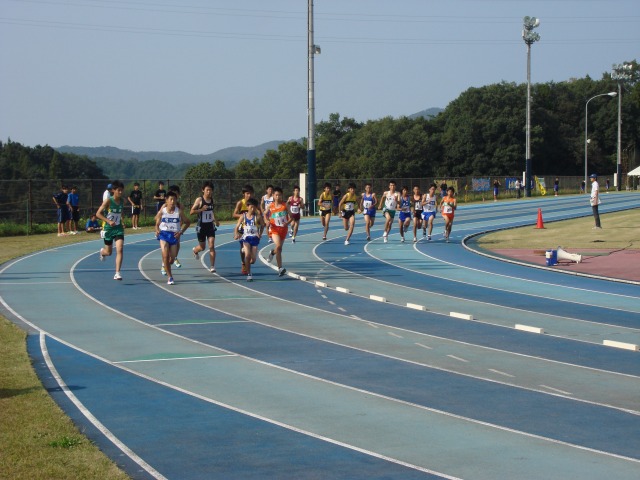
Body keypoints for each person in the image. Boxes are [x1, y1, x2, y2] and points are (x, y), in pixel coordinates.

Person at [155, 191, 190, 285]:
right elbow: (157, 221)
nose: (172, 201)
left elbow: (188, 222)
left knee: (171, 259)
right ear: (166, 200)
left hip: (174, 236)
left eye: (174, 199)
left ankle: (165, 266)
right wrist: (157, 229)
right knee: (165, 256)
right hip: (164, 234)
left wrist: (181, 232)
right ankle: (170, 277)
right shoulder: (163, 210)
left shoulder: (179, 211)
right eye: (170, 199)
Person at [96, 180, 126, 280]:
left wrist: (122, 220)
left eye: (122, 190)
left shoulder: (123, 201)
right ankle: (102, 252)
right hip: (108, 228)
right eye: (119, 190)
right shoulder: (108, 201)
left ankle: (117, 273)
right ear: (113, 190)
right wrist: (108, 221)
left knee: (120, 249)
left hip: (118, 228)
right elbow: (98, 214)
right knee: (108, 252)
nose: (121, 192)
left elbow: (121, 211)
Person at [190, 181, 220, 273]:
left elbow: (212, 212)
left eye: (210, 190)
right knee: (202, 247)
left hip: (210, 226)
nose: (209, 192)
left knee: (211, 245)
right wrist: (201, 209)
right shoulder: (199, 200)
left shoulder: (212, 200)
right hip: (201, 227)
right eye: (207, 190)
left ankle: (212, 266)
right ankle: (195, 250)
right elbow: (191, 212)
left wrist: (216, 220)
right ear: (203, 190)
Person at [234, 198, 263, 282]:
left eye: (254, 207)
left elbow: (263, 225)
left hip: (254, 238)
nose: (252, 209)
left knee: (253, 260)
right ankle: (249, 274)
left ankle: (247, 264)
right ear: (247, 206)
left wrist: (260, 234)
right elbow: (236, 227)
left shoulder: (257, 216)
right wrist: (236, 234)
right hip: (246, 238)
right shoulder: (243, 216)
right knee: (247, 255)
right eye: (251, 207)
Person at [266, 187, 290, 277]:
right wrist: (266, 221)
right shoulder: (270, 206)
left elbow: (291, 217)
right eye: (276, 195)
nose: (278, 197)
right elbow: (264, 213)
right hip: (274, 229)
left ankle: (272, 252)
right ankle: (280, 268)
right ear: (273, 196)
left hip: (283, 230)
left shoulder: (285, 206)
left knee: (279, 249)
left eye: (279, 195)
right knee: (279, 246)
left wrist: (287, 223)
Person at [233, 184, 256, 274]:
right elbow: (234, 214)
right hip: (242, 229)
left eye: (251, 193)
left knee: (250, 249)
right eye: (247, 193)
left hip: (251, 228)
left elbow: (258, 213)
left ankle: (247, 261)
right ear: (244, 194)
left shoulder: (253, 203)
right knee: (243, 248)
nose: (249, 195)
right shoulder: (240, 203)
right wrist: (243, 216)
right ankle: (243, 263)